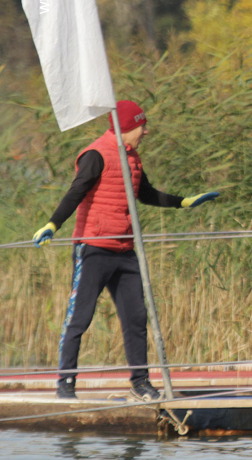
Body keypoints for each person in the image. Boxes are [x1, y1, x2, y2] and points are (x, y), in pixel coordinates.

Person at [31, 100, 219, 400]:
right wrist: (53, 225)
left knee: (136, 317)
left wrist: (183, 202)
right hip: (93, 248)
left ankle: (140, 382)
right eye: (142, 126)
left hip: (124, 249)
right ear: (127, 128)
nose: (146, 131)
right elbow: (76, 192)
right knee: (79, 318)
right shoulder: (95, 155)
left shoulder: (132, 157)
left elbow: (146, 194)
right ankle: (65, 384)